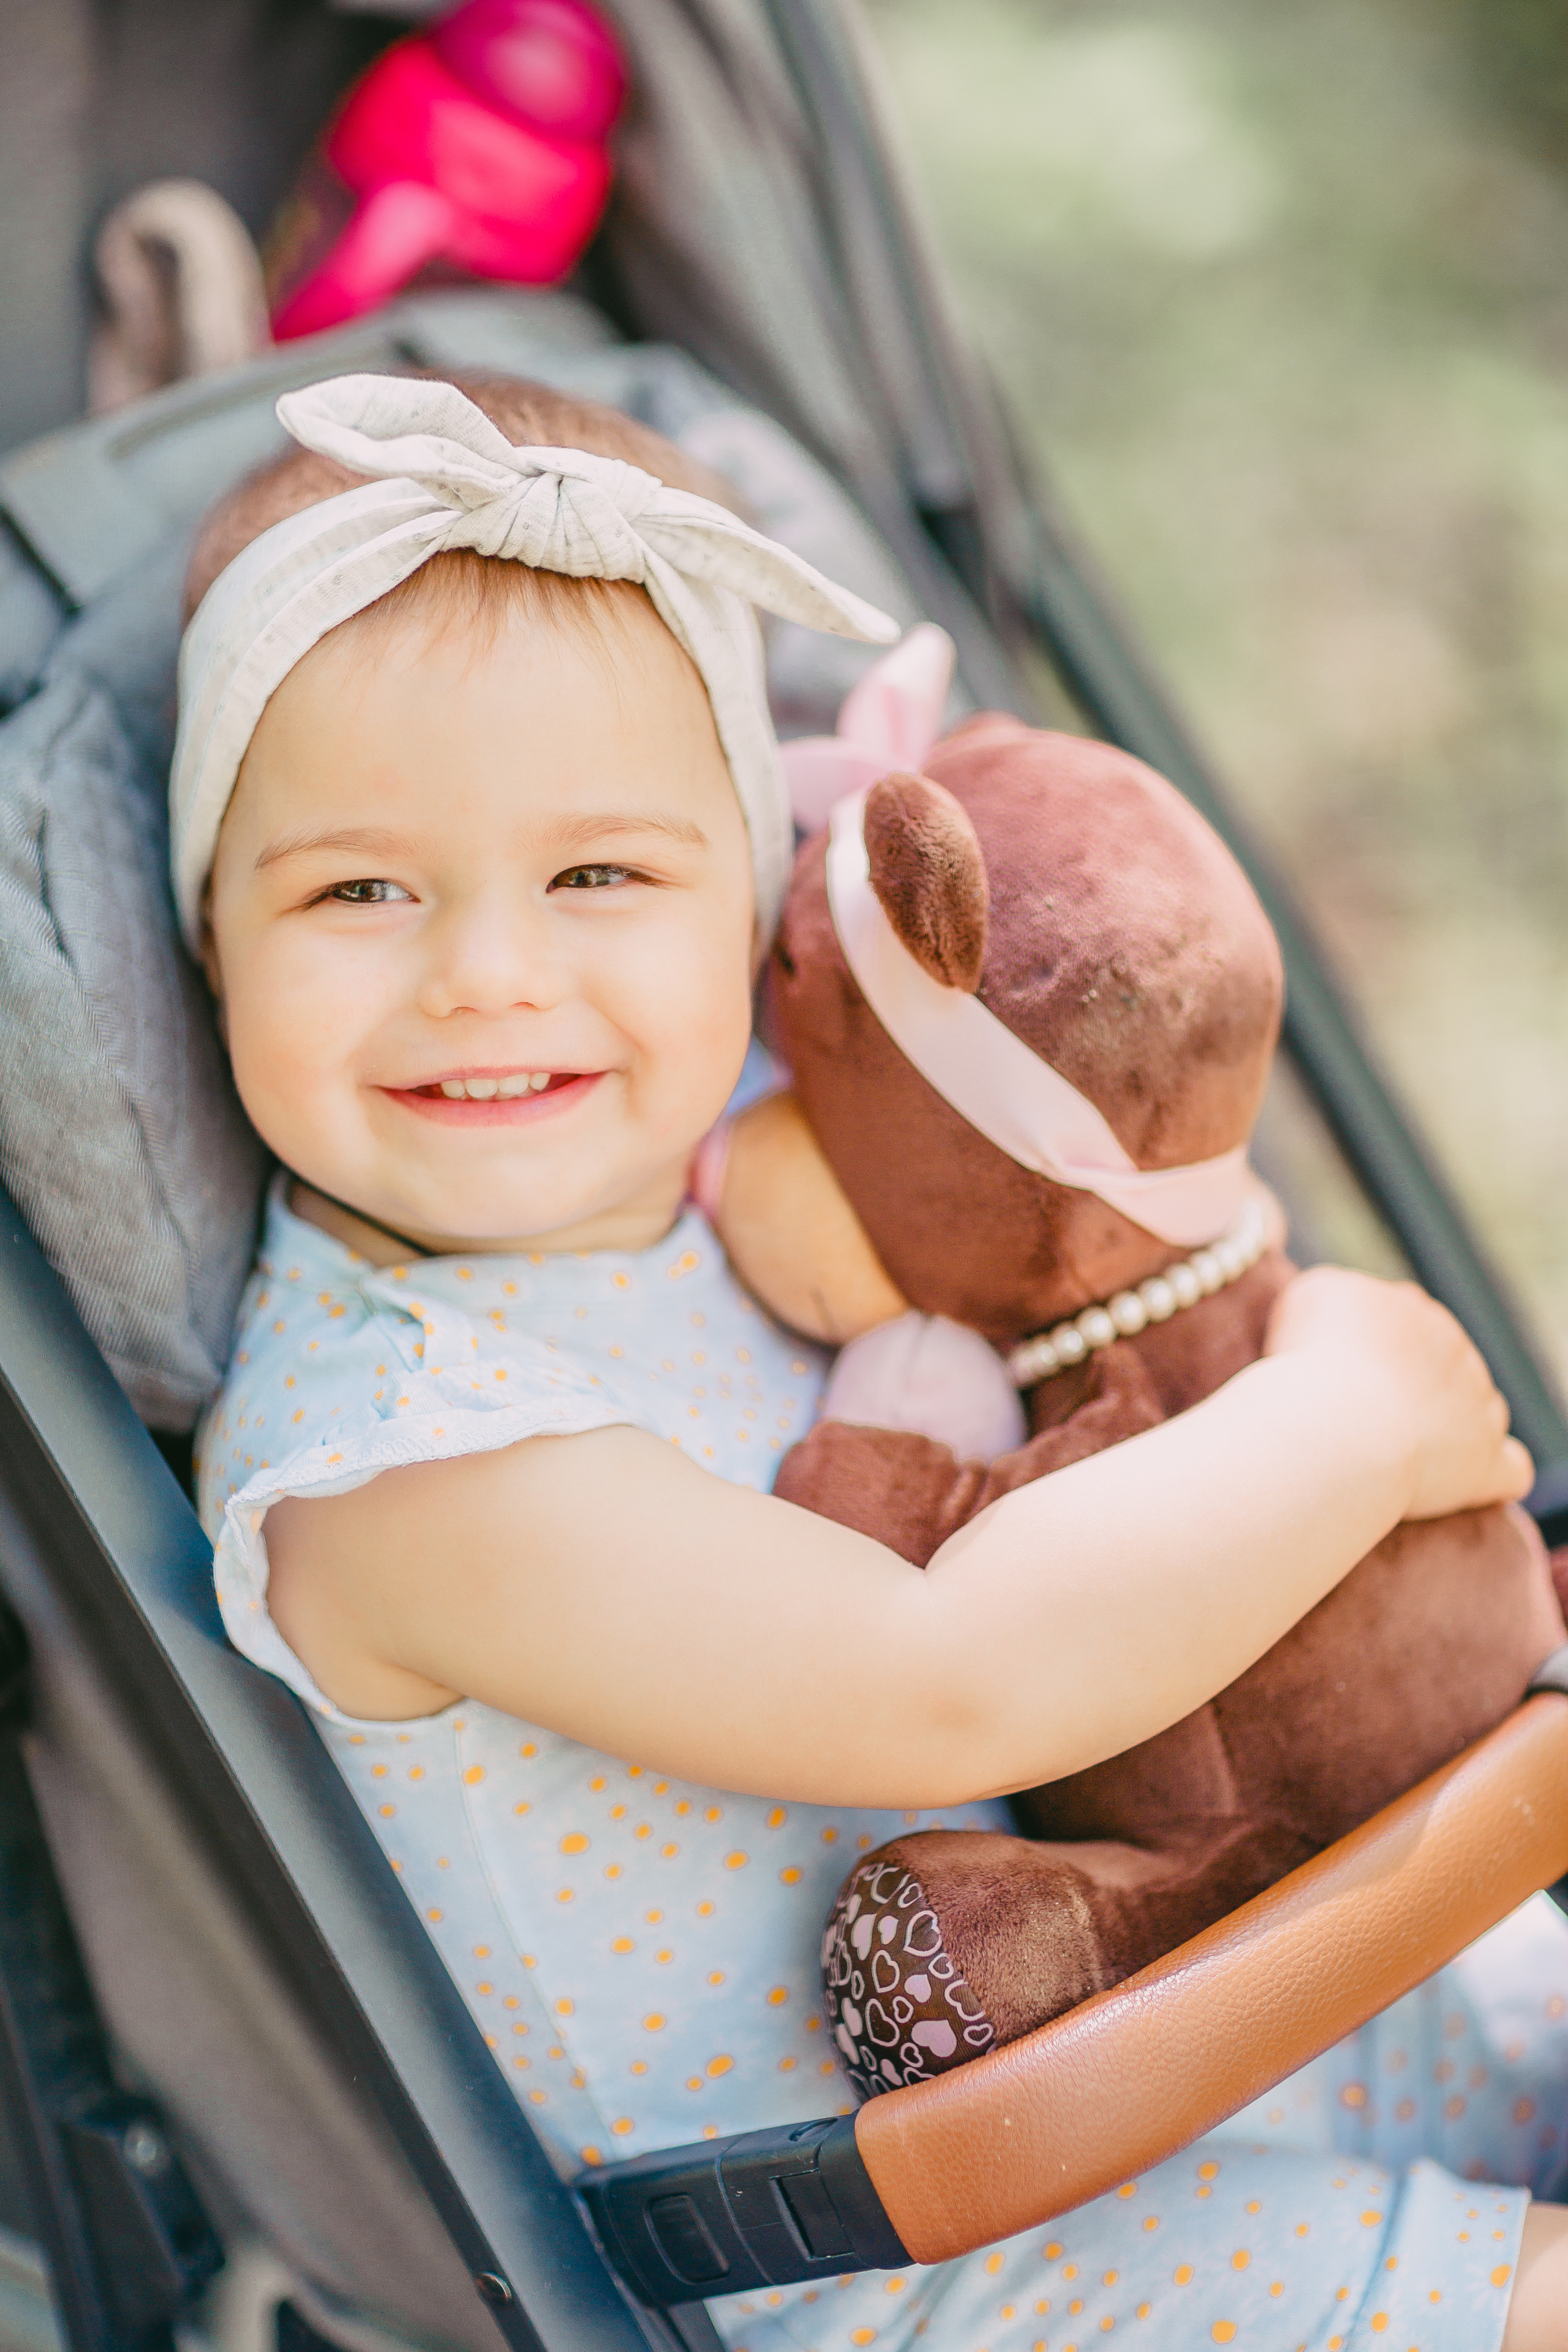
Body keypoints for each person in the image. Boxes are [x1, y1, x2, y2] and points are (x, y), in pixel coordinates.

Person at [185, 365, 1568, 2350]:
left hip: (1209, 1998)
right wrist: (1350, 1418)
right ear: (216, 939)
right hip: (906, 2256)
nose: (488, 968)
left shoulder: (746, 1148)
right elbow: (947, 1688)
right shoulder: (398, 1456)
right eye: (358, 889)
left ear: (749, 905)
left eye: (601, 875)